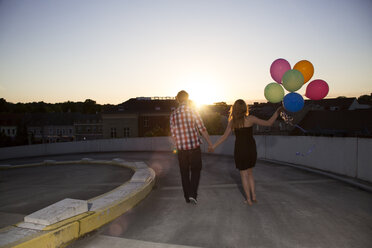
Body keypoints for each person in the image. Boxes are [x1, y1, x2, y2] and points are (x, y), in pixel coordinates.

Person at [212, 99, 282, 205]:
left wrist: (213, 146)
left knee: (243, 175)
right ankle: (254, 196)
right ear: (245, 108)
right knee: (250, 174)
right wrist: (277, 111)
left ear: (234, 109)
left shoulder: (233, 122)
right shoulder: (251, 118)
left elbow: (224, 137)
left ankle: (248, 200)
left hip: (240, 150)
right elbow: (269, 123)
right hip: (251, 149)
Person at [170, 90, 214, 205]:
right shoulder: (193, 111)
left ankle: (187, 197)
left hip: (181, 150)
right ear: (187, 98)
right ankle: (192, 194)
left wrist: (176, 147)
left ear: (178, 99)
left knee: (184, 173)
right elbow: (202, 129)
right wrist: (210, 143)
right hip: (194, 148)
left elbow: (173, 135)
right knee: (196, 170)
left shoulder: (173, 115)